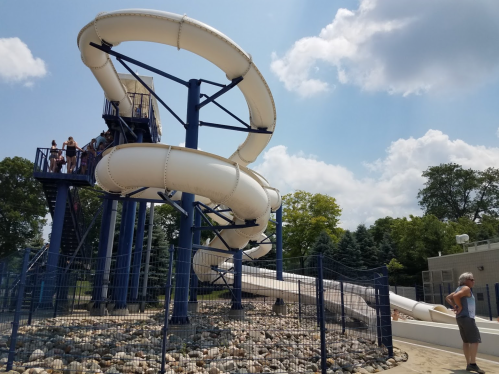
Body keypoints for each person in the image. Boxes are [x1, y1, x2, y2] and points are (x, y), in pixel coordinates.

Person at [445, 273, 485, 373]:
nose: (473, 281)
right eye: (471, 279)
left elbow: (448, 297)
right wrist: (460, 306)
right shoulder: (466, 289)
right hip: (467, 317)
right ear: (465, 280)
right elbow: (456, 296)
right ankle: (473, 364)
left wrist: (455, 306)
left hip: (460, 318)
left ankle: (468, 364)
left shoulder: (459, 288)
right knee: (474, 340)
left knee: (466, 342)